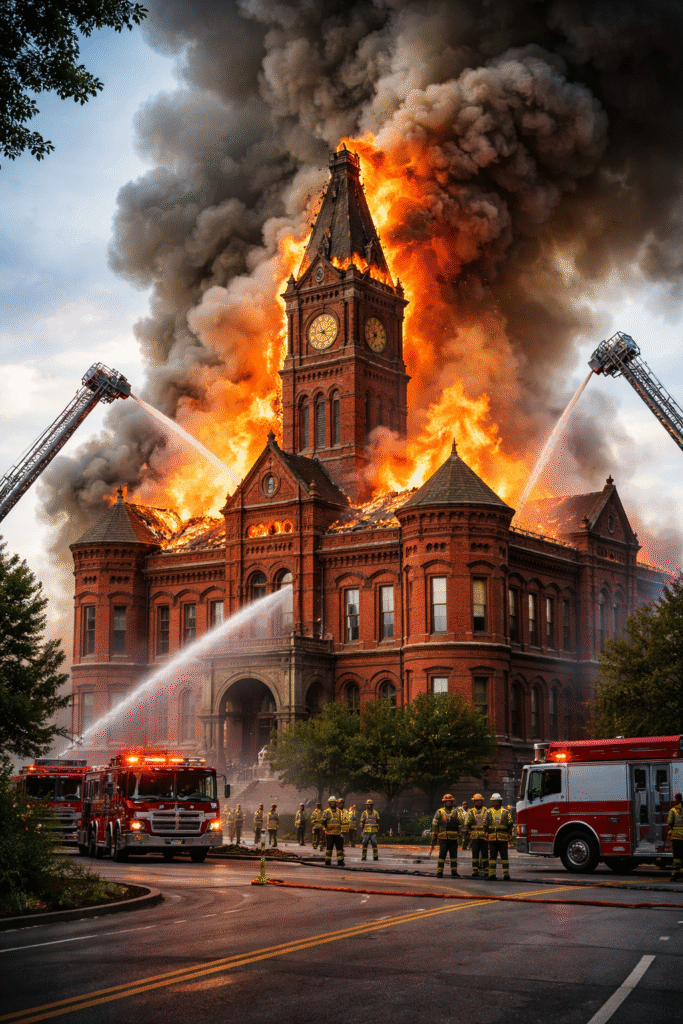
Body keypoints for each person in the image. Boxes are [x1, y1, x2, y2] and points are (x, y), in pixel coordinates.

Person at [431, 793, 460, 878]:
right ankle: (439, 872)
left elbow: (460, 823)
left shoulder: (456, 812)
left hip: (453, 837)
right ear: (444, 802)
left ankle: (454, 872)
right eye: (447, 802)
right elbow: (435, 823)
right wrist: (434, 833)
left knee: (454, 856)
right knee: (442, 855)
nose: (449, 803)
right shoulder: (439, 812)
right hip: (443, 837)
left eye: (450, 801)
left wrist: (460, 833)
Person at [486, 793, 513, 880]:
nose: (495, 803)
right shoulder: (489, 812)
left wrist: (509, 834)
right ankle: (493, 874)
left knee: (503, 857)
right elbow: (485, 824)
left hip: (501, 838)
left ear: (500, 802)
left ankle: (505, 874)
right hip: (494, 838)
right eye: (494, 801)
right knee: (493, 857)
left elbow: (510, 824)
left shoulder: (505, 812)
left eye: (496, 801)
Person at [465, 793, 489, 878]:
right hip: (474, 837)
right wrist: (468, 830)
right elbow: (466, 823)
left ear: (482, 801)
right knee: (475, 854)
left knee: (485, 854)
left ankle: (486, 871)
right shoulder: (471, 811)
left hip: (484, 837)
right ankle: (475, 871)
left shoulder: (486, 811)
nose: (478, 802)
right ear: (474, 802)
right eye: (476, 801)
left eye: (479, 801)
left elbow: (489, 823)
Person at [322, 796, 345, 867]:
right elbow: (323, 821)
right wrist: (325, 830)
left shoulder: (339, 812)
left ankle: (340, 862)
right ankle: (327, 861)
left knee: (339, 849)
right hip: (330, 833)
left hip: (338, 833)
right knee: (329, 848)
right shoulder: (326, 812)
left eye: (333, 803)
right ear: (329, 803)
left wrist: (343, 832)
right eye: (331, 803)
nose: (332, 804)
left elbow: (343, 821)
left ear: (335, 803)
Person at [668, 791, 683, 882]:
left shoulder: (673, 810)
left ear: (676, 799)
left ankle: (677, 873)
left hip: (676, 838)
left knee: (677, 856)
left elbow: (669, 822)